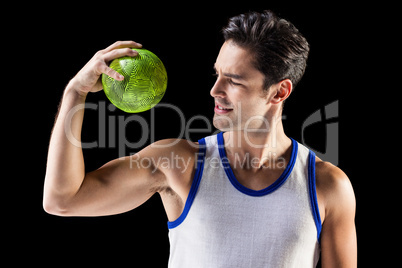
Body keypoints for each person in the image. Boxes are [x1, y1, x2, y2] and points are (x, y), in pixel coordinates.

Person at [43, 10, 357, 267]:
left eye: (233, 81)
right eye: (216, 74)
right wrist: (76, 92)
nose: (215, 90)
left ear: (279, 91)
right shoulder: (179, 164)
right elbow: (62, 200)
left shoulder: (326, 186)